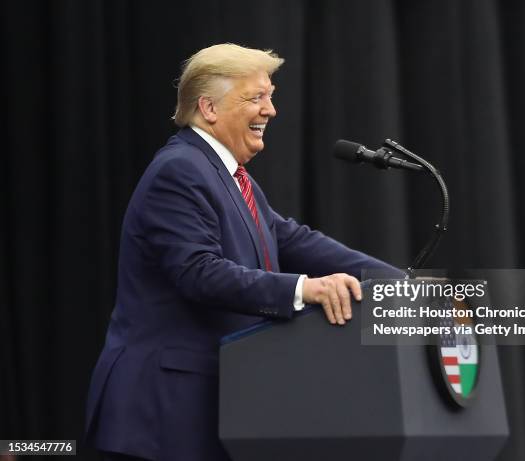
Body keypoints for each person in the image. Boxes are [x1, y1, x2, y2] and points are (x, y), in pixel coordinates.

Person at [85, 43, 402, 461]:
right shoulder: (179, 170)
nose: (270, 110)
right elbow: (199, 272)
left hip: (211, 410)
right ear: (209, 108)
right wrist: (306, 290)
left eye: (270, 96)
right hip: (161, 413)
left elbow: (297, 241)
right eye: (256, 97)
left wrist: (405, 287)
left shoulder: (235, 179)